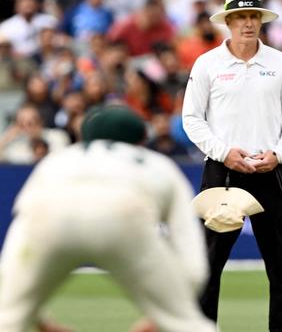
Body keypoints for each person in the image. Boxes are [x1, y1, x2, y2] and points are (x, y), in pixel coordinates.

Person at [0, 105, 214, 332]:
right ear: (141, 140)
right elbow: (191, 261)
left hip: (47, 217)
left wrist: (32, 315)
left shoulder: (57, 161)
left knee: (7, 319)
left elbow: (22, 229)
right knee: (190, 326)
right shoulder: (159, 165)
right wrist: (170, 313)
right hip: (124, 217)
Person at [182, 0, 282, 331]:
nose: (248, 24)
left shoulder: (279, 62)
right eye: (240, 18)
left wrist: (278, 153)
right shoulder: (207, 64)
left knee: (280, 266)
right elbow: (191, 118)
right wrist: (224, 153)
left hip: (272, 171)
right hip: (223, 173)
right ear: (229, 22)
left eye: (253, 17)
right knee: (207, 264)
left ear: (261, 21)